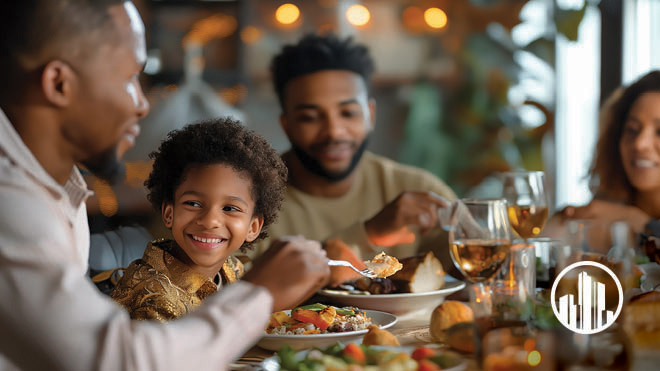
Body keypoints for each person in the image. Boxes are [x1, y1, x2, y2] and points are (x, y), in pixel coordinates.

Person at [0, 1, 329, 370]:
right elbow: (119, 361)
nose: (142, 104)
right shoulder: (10, 204)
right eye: (129, 77)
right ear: (59, 83)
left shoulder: (54, 189)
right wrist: (260, 293)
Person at [250, 33, 458, 282]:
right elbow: (233, 297)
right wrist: (368, 233)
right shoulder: (251, 200)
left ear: (370, 114)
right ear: (287, 125)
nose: (334, 132)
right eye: (310, 117)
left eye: (348, 113)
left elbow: (480, 269)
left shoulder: (417, 190)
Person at [111, 118, 288, 321]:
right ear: (169, 213)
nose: (210, 220)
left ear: (253, 227)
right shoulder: (153, 298)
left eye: (230, 208)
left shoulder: (232, 269)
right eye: (193, 204)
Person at [548, 70, 660, 249]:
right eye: (632, 129)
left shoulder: (628, 218)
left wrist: (643, 224)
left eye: (659, 132)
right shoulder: (596, 218)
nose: (639, 144)